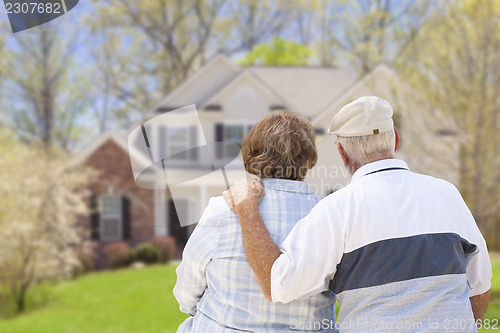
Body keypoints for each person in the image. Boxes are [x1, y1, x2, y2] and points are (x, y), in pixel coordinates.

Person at [223, 96, 492, 332]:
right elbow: (479, 288)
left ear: (341, 152)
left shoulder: (336, 210)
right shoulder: (447, 194)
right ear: (395, 139)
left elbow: (277, 285)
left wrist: (247, 209)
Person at [174, 111, 337, 332]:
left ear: (253, 154)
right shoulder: (330, 215)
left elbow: (187, 288)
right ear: (308, 158)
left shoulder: (223, 209)